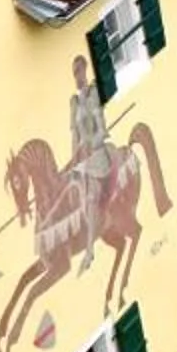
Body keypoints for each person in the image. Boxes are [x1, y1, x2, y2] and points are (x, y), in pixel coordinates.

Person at [66, 55, 114, 269]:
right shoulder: (73, 102)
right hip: (83, 160)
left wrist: (89, 148)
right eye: (74, 73)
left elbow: (102, 130)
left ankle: (90, 250)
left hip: (97, 157)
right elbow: (74, 136)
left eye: (79, 71)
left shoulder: (93, 94)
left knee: (90, 198)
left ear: (86, 70)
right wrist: (73, 160)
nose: (77, 76)